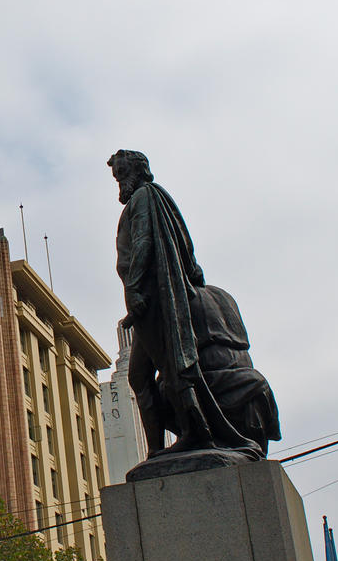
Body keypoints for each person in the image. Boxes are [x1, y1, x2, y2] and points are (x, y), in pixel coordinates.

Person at [107, 150, 280, 461]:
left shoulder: (145, 198)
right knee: (152, 374)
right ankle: (163, 447)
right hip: (157, 296)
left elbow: (144, 241)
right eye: (116, 178)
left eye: (121, 175)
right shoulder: (156, 198)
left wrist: (134, 289)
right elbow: (184, 245)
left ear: (135, 173)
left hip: (155, 299)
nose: (120, 183)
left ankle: (191, 433)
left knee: (168, 370)